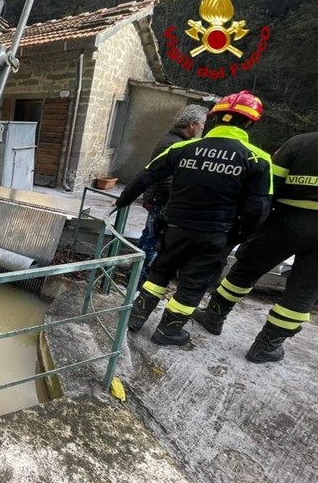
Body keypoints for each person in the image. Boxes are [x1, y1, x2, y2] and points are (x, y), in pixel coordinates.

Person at [115, 90, 272, 346]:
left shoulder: (183, 148)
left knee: (160, 272)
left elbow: (146, 176)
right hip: (214, 235)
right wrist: (239, 236)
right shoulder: (257, 159)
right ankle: (168, 332)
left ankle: (135, 317)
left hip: (174, 228)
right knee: (192, 285)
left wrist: (122, 201)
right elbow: (259, 209)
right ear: (250, 123)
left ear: (215, 118)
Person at [193, 131, 318, 363]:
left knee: (246, 269)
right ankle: (266, 347)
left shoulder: (300, 143)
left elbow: (270, 184)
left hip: (285, 221)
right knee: (303, 292)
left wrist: (255, 223)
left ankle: (213, 316)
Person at [137, 105, 208, 280]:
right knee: (151, 242)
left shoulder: (174, 141)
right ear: (192, 124)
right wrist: (174, 200)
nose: (202, 128)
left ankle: (139, 275)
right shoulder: (173, 144)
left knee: (150, 239)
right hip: (160, 201)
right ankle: (139, 278)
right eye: (202, 124)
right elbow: (164, 178)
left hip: (158, 199)